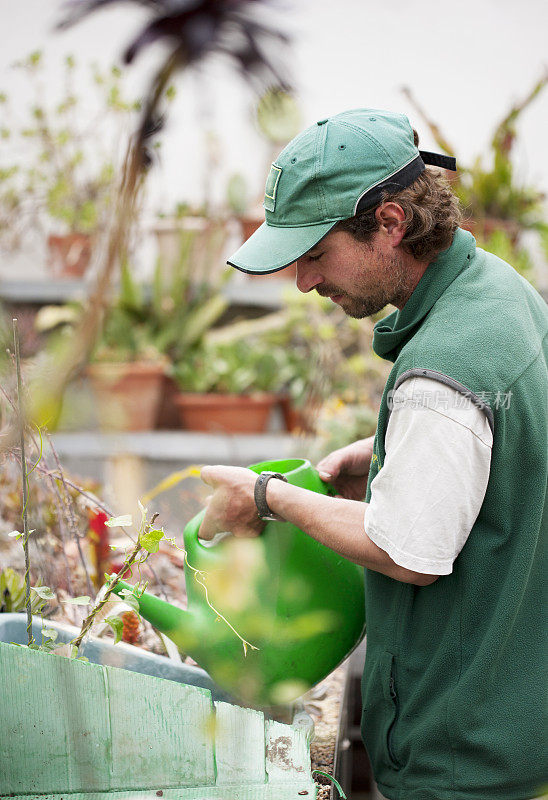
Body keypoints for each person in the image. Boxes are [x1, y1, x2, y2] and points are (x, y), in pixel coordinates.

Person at [197, 109, 548, 799]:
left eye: (315, 253)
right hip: (518, 723)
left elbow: (409, 553)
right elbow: (511, 440)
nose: (302, 280)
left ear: (389, 223)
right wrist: (390, 453)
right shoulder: (501, 294)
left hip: (461, 764)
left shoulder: (441, 369)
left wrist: (270, 498)